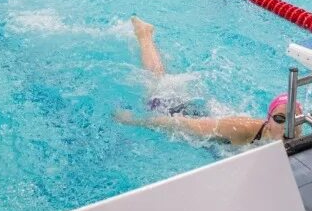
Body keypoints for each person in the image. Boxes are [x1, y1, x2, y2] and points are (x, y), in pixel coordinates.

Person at [114, 17, 301, 145]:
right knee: (157, 80)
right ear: (268, 121)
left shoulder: (297, 137)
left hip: (202, 112)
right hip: (176, 113)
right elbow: (181, 125)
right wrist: (135, 120)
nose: (287, 127)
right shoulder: (241, 129)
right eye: (280, 119)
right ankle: (144, 35)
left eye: (294, 120)